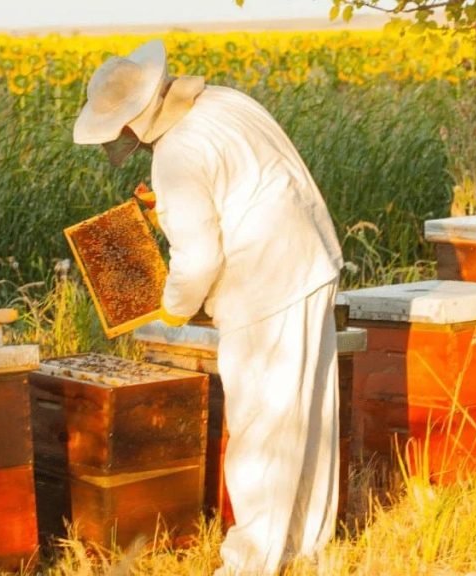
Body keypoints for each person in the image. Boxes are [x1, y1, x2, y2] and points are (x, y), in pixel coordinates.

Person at [73, 39, 344, 575]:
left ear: (133, 120)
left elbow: (197, 260)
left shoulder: (175, 155)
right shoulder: (225, 101)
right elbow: (244, 182)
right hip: (310, 261)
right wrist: (165, 210)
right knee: (310, 417)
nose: (124, 141)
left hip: (265, 285)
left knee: (261, 427)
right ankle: (305, 550)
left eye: (121, 131)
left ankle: (250, 564)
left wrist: (172, 308)